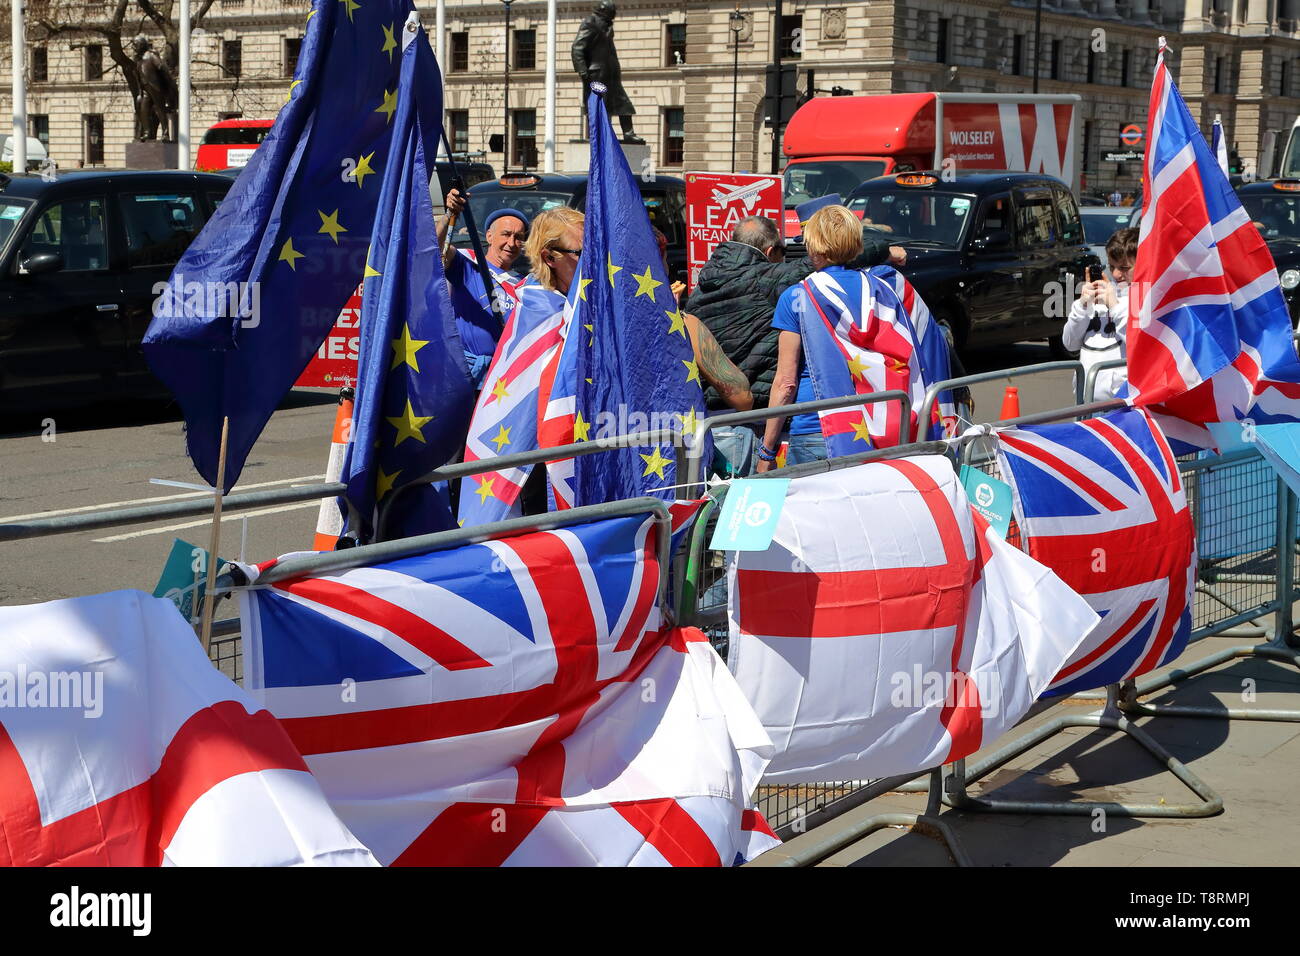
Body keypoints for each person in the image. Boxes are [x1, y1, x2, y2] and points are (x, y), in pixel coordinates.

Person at [685, 215, 904, 474]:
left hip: (711, 425)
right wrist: (884, 250)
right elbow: (826, 258)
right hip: (752, 427)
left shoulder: (700, 288)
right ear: (770, 251)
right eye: (782, 251)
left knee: (717, 510)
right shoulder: (769, 281)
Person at [437, 189, 529, 388]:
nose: (512, 243)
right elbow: (433, 248)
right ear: (489, 236)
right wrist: (449, 215)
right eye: (505, 234)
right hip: (464, 373)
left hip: (502, 378)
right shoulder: (467, 263)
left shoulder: (524, 284)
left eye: (518, 237)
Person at [1063, 226, 1136, 401]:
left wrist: (1114, 305)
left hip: (1121, 404)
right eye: (1112, 266)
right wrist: (1082, 306)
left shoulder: (1148, 298)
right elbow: (1070, 344)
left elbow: (1139, 344)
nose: (1116, 274)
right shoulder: (1104, 292)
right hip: (1085, 399)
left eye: (1124, 267)